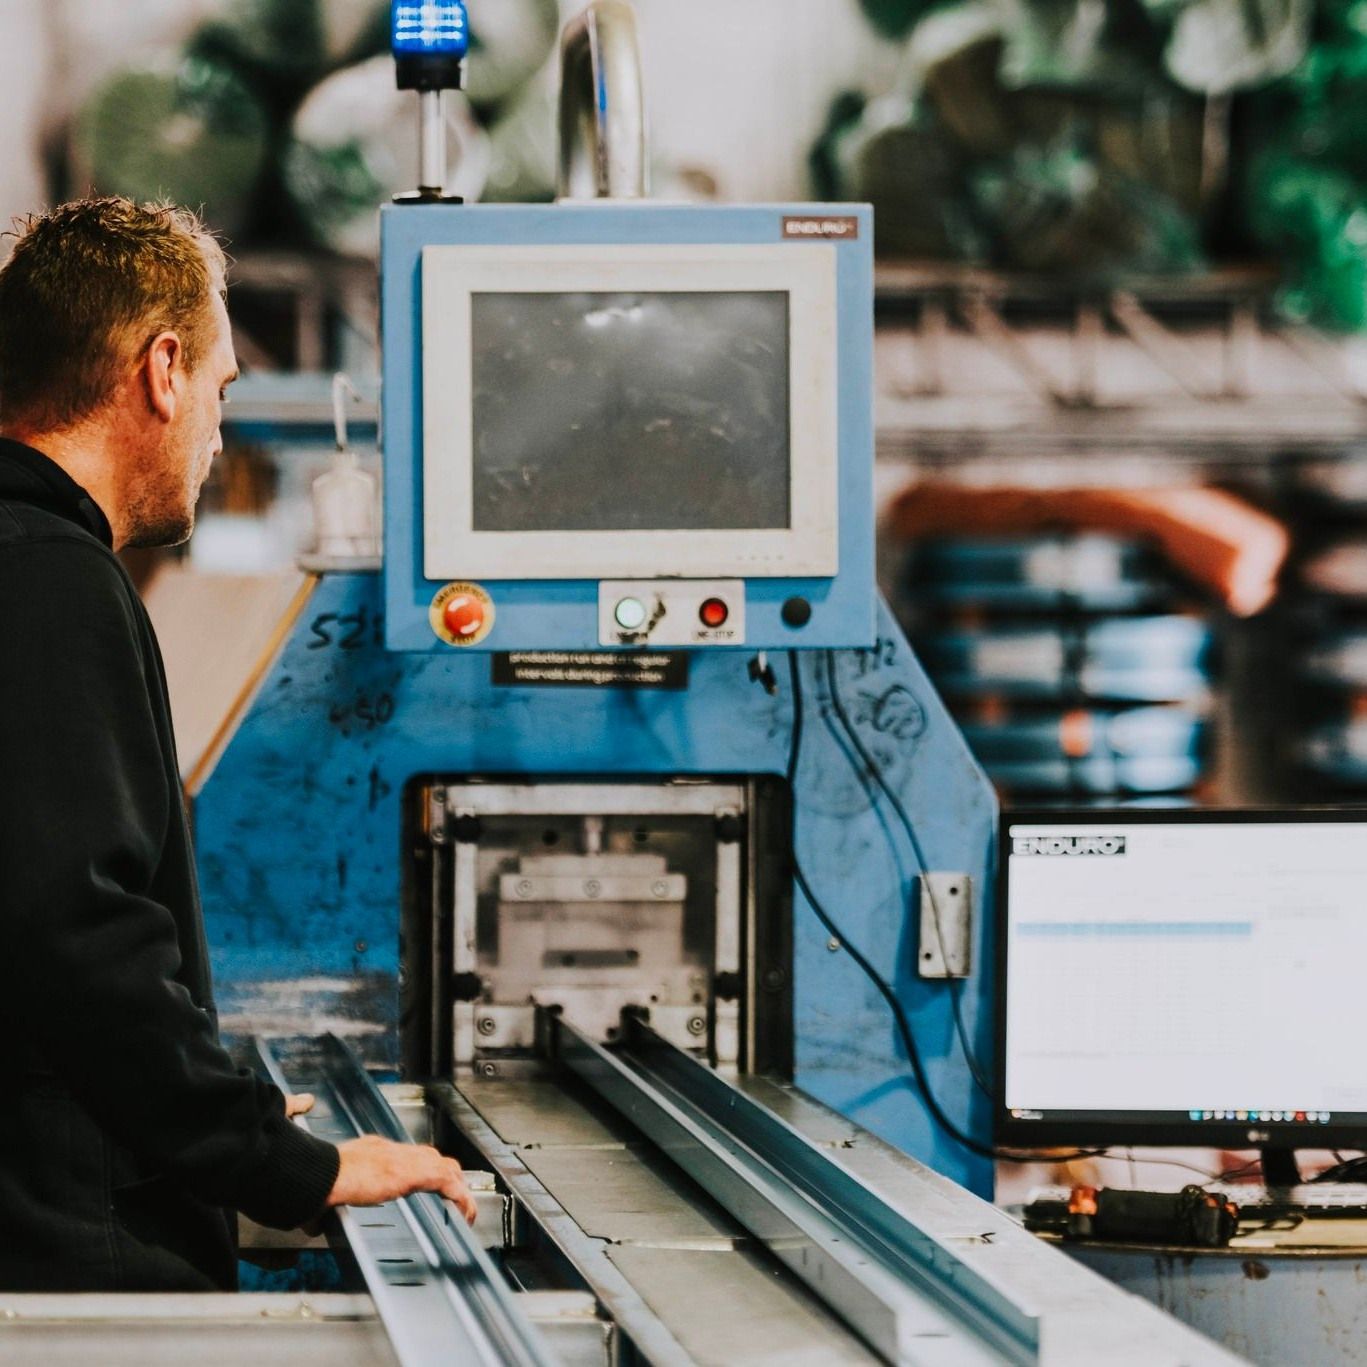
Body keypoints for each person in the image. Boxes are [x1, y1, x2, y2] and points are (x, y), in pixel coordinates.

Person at [0, 197, 476, 1293]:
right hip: (69, 1251)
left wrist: (209, 1095)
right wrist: (279, 1161)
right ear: (160, 370)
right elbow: (75, 933)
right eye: (219, 393)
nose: (217, 439)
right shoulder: (49, 579)